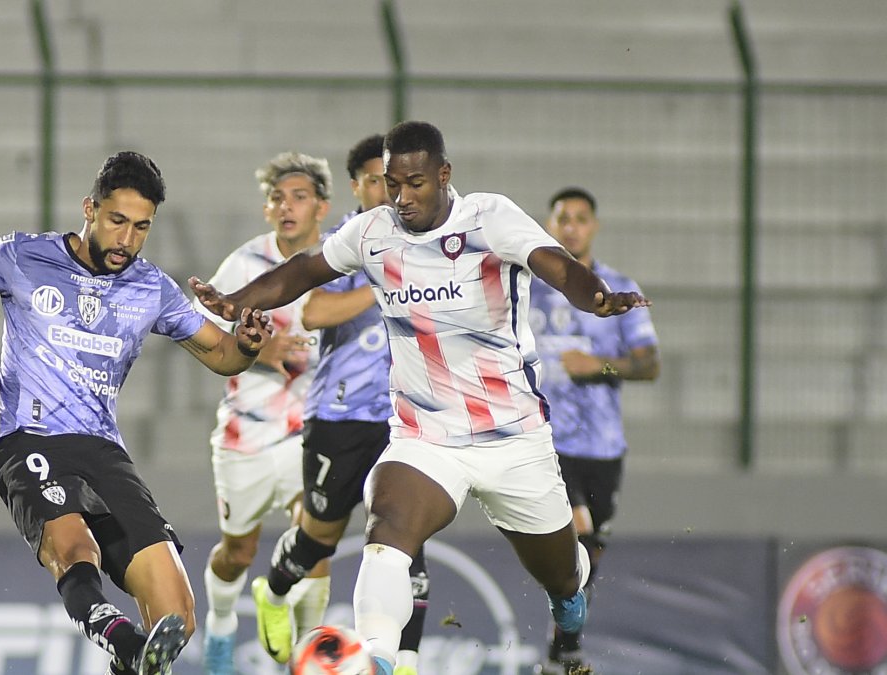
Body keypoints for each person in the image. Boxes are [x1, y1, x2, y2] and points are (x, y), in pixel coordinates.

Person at [188, 121, 650, 675]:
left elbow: (554, 265)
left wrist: (592, 298)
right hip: (426, 435)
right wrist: (234, 301)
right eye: (392, 184)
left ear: (443, 175)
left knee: (561, 577)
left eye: (415, 184)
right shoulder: (373, 231)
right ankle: (378, 659)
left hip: (513, 439)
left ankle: (568, 609)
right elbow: (305, 271)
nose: (401, 198)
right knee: (387, 526)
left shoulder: (488, 217)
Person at [0, 151, 273, 675]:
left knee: (178, 617)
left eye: (141, 227)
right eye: (117, 221)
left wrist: (249, 344)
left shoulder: (151, 289)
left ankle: (129, 660)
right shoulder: (22, 256)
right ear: (90, 209)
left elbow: (222, 355)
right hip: (27, 440)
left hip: (102, 450)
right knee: (75, 548)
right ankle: (117, 637)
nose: (127, 239)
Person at [250, 134, 431, 675]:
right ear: (356, 186)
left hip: (407, 423)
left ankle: (406, 662)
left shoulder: (430, 241)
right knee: (316, 537)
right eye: (375, 179)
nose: (387, 189)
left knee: (406, 546)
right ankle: (274, 590)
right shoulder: (345, 241)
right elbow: (315, 313)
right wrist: (388, 285)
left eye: (394, 179)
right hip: (340, 417)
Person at [198, 152, 331, 674]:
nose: (287, 205)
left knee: (316, 534)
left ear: (322, 206)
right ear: (267, 209)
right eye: (278, 197)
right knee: (238, 551)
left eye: (299, 196)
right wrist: (259, 351)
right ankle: (223, 625)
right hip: (246, 434)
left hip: (311, 431)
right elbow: (197, 330)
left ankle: (310, 653)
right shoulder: (244, 265)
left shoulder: (339, 265)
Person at [529, 187, 660, 675]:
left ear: (594, 226)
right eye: (562, 217)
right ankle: (565, 648)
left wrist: (599, 366)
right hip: (547, 439)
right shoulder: (527, 288)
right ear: (549, 225)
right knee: (578, 530)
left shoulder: (619, 286)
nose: (571, 227)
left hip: (603, 445)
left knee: (592, 548)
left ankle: (562, 647)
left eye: (581, 218)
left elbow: (649, 366)